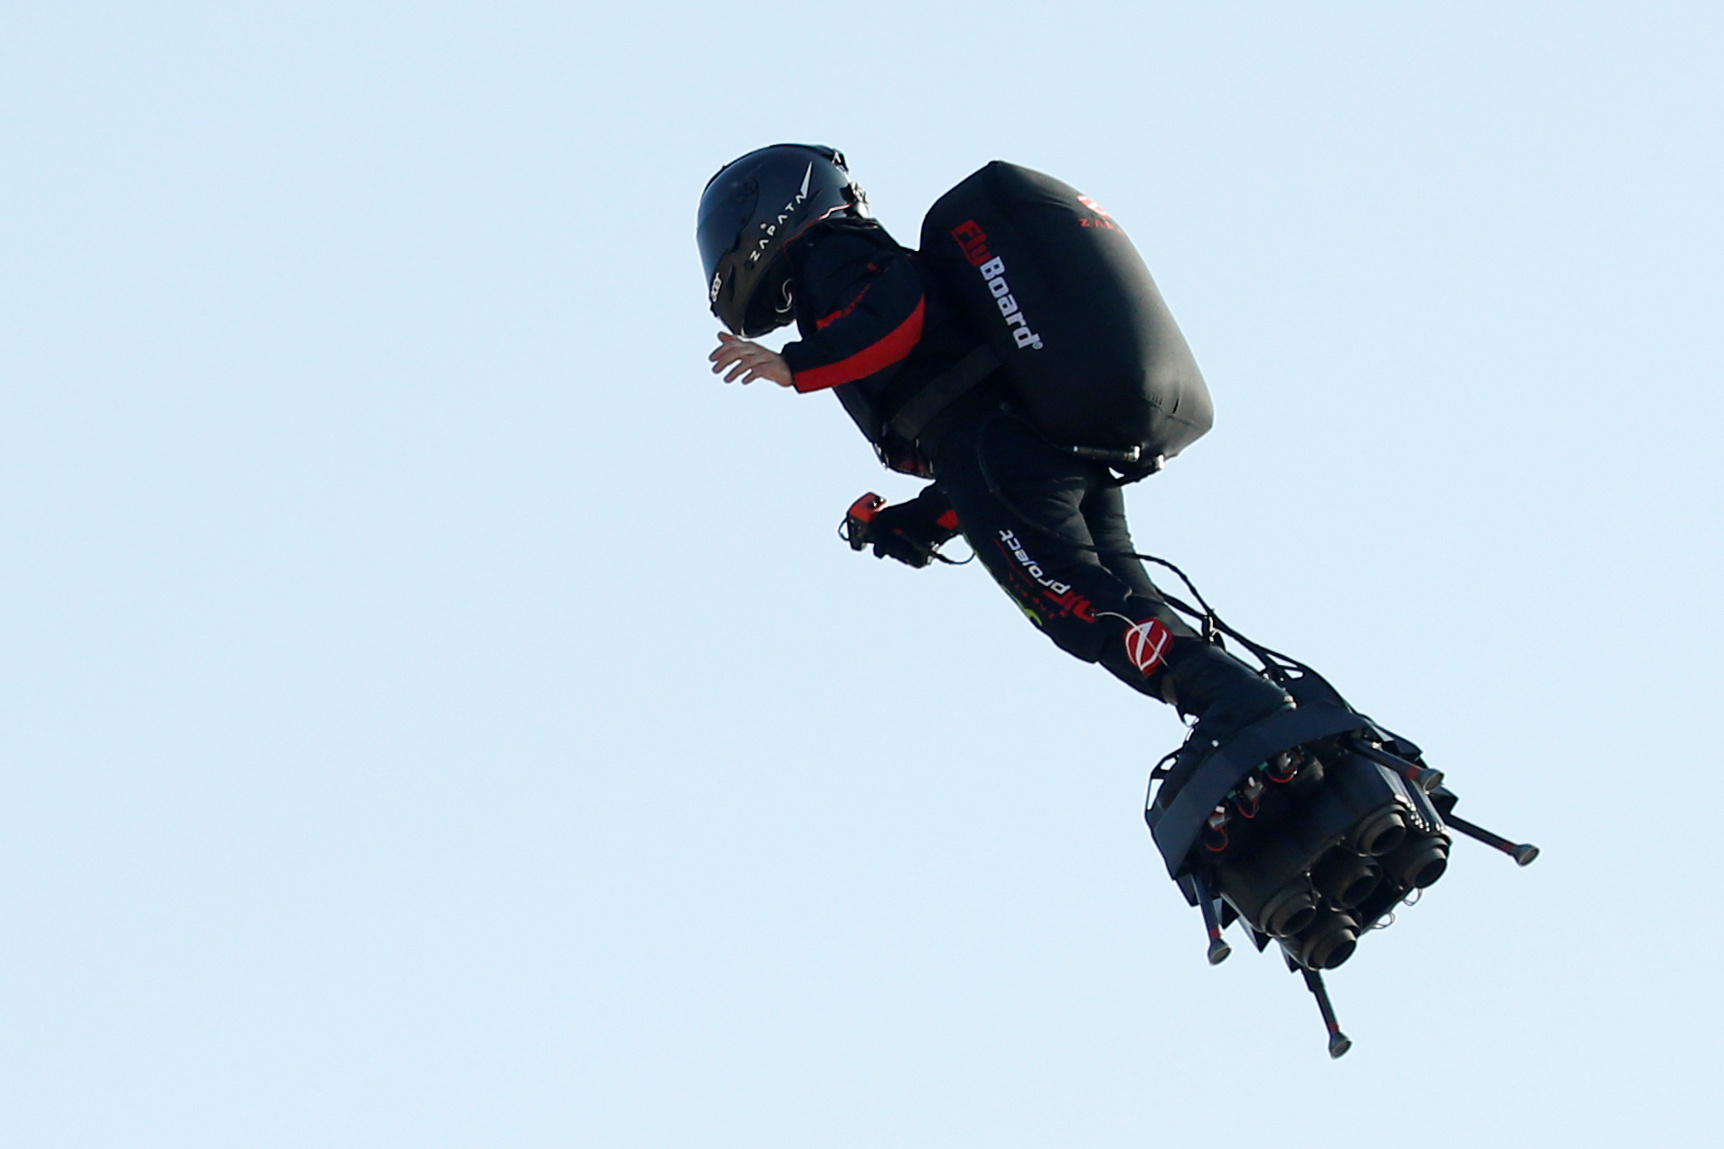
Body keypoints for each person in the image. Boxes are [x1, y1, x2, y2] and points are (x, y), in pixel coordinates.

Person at [698, 144, 1290, 788]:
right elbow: (953, 406)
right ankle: (1273, 718)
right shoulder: (837, 262)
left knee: (1070, 604)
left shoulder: (833, 253)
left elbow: (900, 314)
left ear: (775, 208)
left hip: (994, 447)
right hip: (1019, 445)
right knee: (1123, 597)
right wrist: (920, 522)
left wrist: (798, 367)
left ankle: (1238, 707)